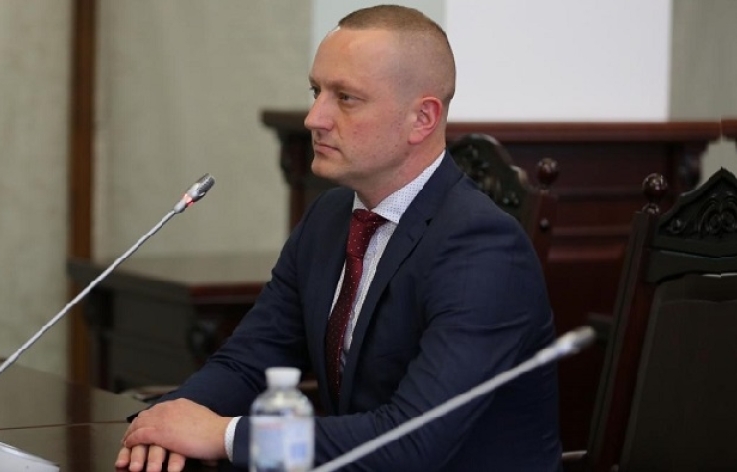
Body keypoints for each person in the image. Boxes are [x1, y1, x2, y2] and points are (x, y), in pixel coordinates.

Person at [117, 5, 561, 471]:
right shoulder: (329, 217)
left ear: (422, 118)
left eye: (346, 98)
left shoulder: (483, 248)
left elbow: (412, 443)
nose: (315, 118)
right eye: (317, 91)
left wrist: (224, 435)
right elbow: (248, 361)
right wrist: (163, 424)